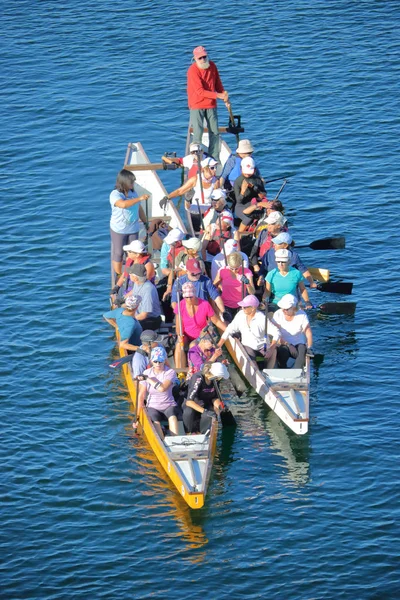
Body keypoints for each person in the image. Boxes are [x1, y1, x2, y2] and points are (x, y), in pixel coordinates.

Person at [187, 45, 229, 160]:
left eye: (204, 57)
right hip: (197, 104)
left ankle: (214, 159)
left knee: (214, 132)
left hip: (211, 104)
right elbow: (200, 91)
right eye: (200, 58)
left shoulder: (213, 66)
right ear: (195, 59)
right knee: (198, 132)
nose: (203, 60)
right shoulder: (193, 71)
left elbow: (218, 84)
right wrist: (218, 95)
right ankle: (197, 159)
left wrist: (224, 96)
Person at [217, 295, 280, 369]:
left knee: (274, 352)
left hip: (263, 347)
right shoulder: (240, 315)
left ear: (253, 308)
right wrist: (219, 345)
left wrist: (271, 349)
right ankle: (256, 373)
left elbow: (277, 332)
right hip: (248, 347)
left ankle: (268, 373)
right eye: (242, 306)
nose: (242, 308)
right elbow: (229, 329)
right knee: (252, 361)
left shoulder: (262, 319)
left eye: (245, 307)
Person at [174, 282, 226, 367]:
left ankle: (195, 369)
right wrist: (180, 336)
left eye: (191, 297)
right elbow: (178, 326)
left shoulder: (204, 304)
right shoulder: (180, 306)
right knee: (179, 345)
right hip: (186, 334)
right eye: (187, 297)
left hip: (202, 335)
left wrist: (228, 330)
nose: (189, 299)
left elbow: (216, 321)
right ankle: (180, 372)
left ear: (195, 294)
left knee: (193, 345)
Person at [110, 169, 149, 276]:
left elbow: (139, 208)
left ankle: (131, 272)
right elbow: (123, 204)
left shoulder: (133, 193)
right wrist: (139, 198)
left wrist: (146, 223)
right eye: (131, 182)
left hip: (133, 229)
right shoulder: (115, 194)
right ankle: (119, 274)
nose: (133, 184)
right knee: (119, 252)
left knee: (133, 252)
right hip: (119, 229)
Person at [161, 157, 221, 226]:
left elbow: (217, 198)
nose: (215, 170)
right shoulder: (195, 179)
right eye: (212, 168)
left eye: (216, 167)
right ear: (205, 168)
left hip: (209, 210)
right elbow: (180, 191)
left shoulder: (216, 181)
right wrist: (167, 197)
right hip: (195, 208)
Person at [137, 346, 180, 438]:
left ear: (164, 360)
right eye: (155, 361)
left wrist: (147, 379)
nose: (158, 364)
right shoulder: (146, 372)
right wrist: (137, 417)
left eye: (160, 361)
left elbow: (162, 388)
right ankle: (162, 442)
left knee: (172, 416)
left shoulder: (170, 372)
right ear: (151, 361)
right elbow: (141, 395)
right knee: (155, 421)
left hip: (169, 405)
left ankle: (175, 440)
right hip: (153, 407)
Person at [182, 362, 229, 434]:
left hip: (206, 404)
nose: (220, 379)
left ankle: (203, 434)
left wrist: (220, 406)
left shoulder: (215, 381)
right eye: (219, 377)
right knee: (189, 412)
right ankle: (188, 433)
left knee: (209, 416)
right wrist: (205, 411)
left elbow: (214, 397)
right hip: (192, 404)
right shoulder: (198, 378)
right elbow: (189, 402)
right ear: (214, 375)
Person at [272, 294, 313, 368]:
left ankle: (297, 371)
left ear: (294, 308)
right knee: (283, 350)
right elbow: (275, 333)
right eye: (282, 308)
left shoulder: (302, 315)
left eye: (286, 309)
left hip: (298, 345)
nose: (283, 310)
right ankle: (282, 368)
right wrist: (288, 345)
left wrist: (309, 347)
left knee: (302, 349)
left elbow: (308, 332)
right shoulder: (278, 314)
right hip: (284, 344)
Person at [213, 251, 255, 321]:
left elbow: (252, 292)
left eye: (237, 268)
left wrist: (247, 284)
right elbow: (214, 285)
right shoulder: (223, 270)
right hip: (225, 305)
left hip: (241, 305)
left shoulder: (247, 272)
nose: (234, 270)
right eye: (231, 268)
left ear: (240, 264)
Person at [233, 157, 266, 231]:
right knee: (248, 217)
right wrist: (242, 192)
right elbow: (238, 201)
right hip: (241, 206)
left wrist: (255, 188)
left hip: (254, 204)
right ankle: (239, 234)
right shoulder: (238, 181)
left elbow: (263, 194)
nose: (247, 174)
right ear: (241, 169)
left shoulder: (257, 180)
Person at [126, 263, 162, 330]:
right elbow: (134, 291)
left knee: (129, 326)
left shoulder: (148, 290)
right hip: (139, 315)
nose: (129, 275)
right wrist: (122, 299)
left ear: (135, 277)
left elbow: (144, 315)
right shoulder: (138, 283)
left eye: (130, 274)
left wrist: (128, 319)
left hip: (151, 320)